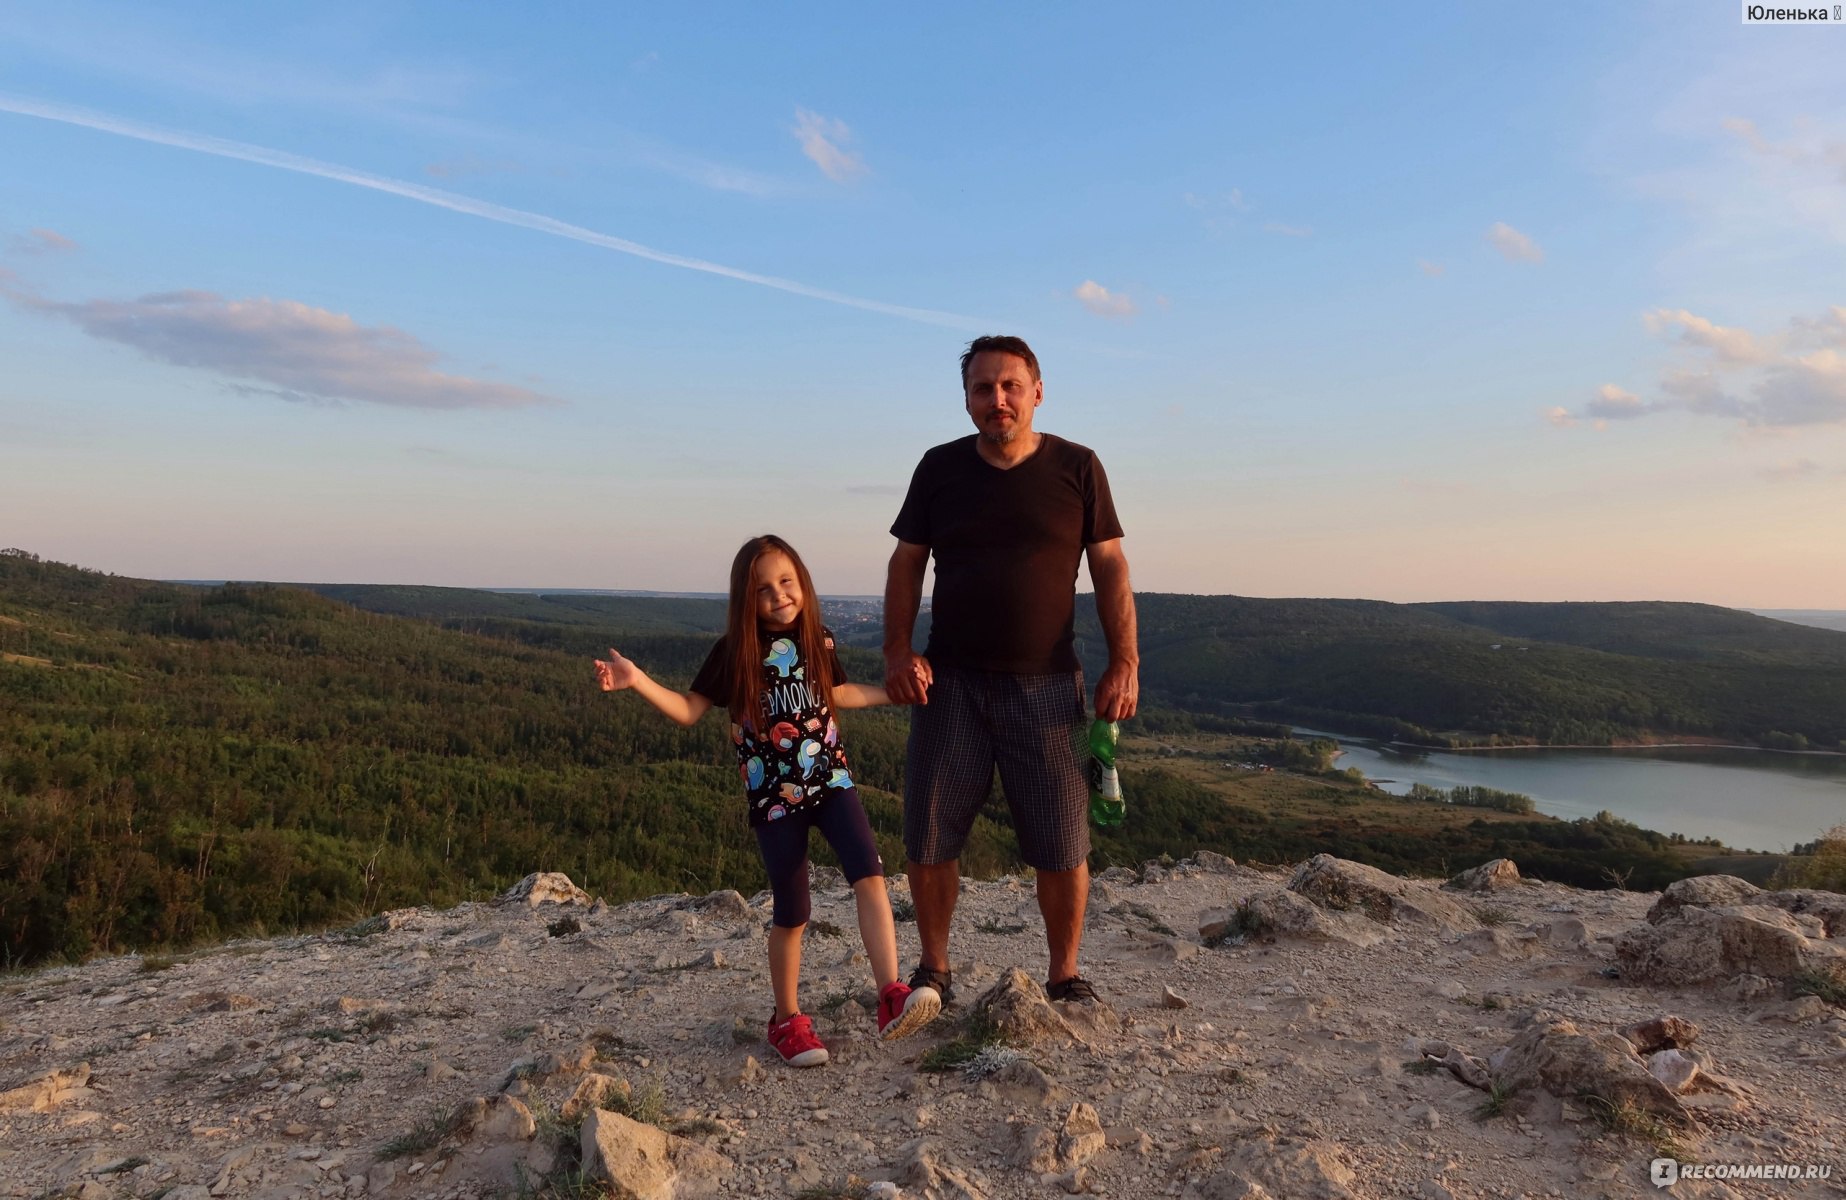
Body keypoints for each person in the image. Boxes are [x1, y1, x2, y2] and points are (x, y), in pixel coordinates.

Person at [595, 534, 940, 1067]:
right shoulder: (734, 653)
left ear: (802, 582)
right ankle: (786, 1020)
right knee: (793, 911)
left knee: (870, 877)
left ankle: (891, 994)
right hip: (774, 799)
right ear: (745, 598)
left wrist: (892, 693)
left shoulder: (818, 639)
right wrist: (637, 679)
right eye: (763, 589)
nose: (779, 595)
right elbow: (690, 710)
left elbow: (837, 694)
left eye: (786, 581)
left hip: (832, 780)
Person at [884, 334, 1138, 1005]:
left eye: (1009, 386)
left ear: (1037, 391)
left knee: (1062, 841)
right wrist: (896, 653)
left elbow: (1109, 564)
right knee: (931, 833)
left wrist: (1125, 661)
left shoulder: (1078, 467)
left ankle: (1064, 974)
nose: (996, 399)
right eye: (982, 388)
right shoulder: (939, 469)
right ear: (966, 398)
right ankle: (934, 969)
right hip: (950, 681)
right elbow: (906, 563)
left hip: (1051, 683)